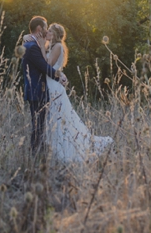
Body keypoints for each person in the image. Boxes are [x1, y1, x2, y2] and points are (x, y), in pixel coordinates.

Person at [42, 23, 114, 162]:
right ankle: (54, 149)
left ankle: (66, 150)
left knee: (59, 118)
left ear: (56, 34)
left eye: (50, 31)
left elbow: (48, 65)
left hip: (53, 87)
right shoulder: (51, 46)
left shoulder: (57, 46)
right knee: (55, 118)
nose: (47, 32)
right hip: (51, 84)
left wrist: (40, 45)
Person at [21, 16, 68, 154]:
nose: (47, 31)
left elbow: (46, 63)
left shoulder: (32, 44)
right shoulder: (32, 46)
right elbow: (44, 66)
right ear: (39, 29)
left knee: (41, 125)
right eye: (46, 28)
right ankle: (36, 154)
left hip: (42, 90)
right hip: (37, 91)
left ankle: (40, 152)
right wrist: (59, 76)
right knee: (38, 126)